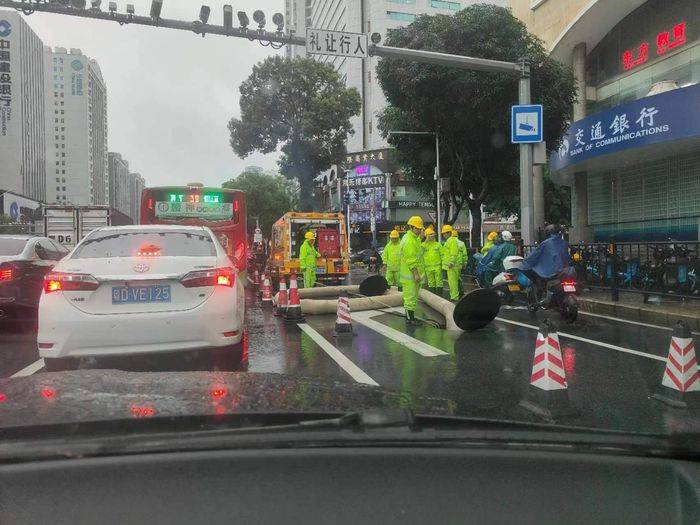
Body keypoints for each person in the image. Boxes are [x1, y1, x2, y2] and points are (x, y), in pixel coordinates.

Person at [520, 224, 571, 289]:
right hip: (563, 269)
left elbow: (535, 255)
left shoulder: (546, 243)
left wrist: (526, 261)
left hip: (550, 271)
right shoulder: (564, 242)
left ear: (547, 232)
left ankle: (541, 288)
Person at [400, 216, 425, 326]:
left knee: (412, 297)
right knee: (410, 297)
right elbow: (411, 260)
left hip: (411, 275)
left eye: (420, 229)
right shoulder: (409, 240)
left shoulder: (414, 238)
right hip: (410, 275)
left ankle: (410, 317)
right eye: (418, 228)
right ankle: (410, 319)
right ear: (411, 227)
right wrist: (416, 274)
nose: (420, 230)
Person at [441, 224, 461, 302]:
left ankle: (454, 299)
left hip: (452, 266)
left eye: (444, 233)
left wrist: (451, 263)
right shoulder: (450, 241)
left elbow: (453, 253)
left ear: (448, 233)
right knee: (453, 283)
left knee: (453, 284)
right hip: (451, 266)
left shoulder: (452, 241)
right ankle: (454, 297)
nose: (443, 235)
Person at [422, 227, 442, 296]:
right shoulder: (424, 245)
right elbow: (420, 252)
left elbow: (443, 255)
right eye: (430, 235)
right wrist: (425, 241)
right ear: (426, 236)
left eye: (433, 234)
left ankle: (440, 297)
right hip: (428, 267)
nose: (432, 236)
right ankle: (433, 298)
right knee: (431, 283)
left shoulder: (438, 244)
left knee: (439, 282)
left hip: (437, 267)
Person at [453, 229, 468, 294]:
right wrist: (465, 262)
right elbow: (464, 254)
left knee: (453, 280)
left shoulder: (449, 242)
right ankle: (461, 290)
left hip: (452, 264)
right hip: (459, 264)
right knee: (458, 277)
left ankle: (457, 292)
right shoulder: (461, 243)